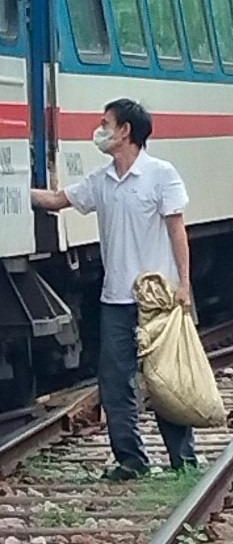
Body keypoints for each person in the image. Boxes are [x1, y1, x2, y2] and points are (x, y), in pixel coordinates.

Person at [31, 98, 196, 480]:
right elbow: (57, 200)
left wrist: (184, 286)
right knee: (115, 379)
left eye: (106, 123)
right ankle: (130, 459)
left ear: (125, 132)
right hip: (115, 298)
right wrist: (14, 190)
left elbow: (177, 230)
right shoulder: (102, 181)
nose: (99, 129)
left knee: (165, 379)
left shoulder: (161, 174)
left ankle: (183, 460)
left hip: (158, 298)